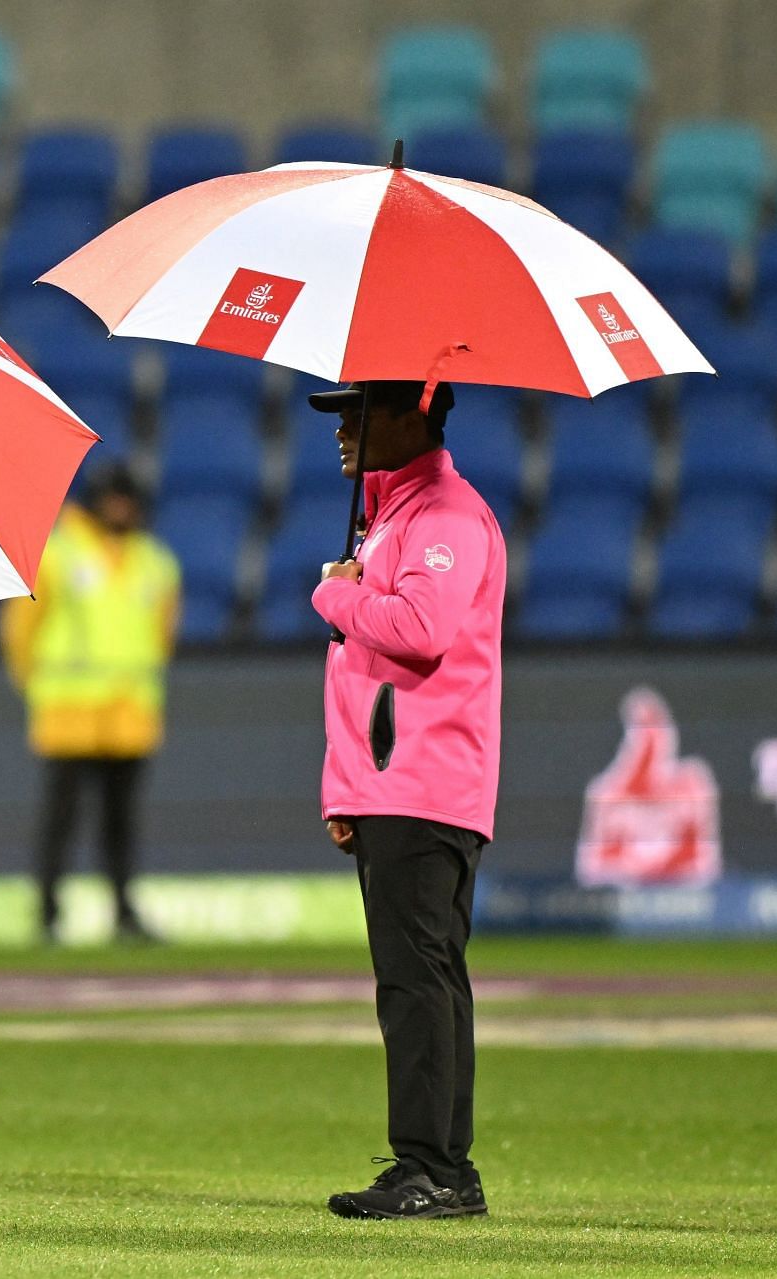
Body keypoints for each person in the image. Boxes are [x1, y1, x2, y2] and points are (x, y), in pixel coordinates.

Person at [306, 380, 506, 1221]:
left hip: (423, 778)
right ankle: (438, 1164)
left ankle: (433, 1167)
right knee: (425, 975)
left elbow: (420, 630)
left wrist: (335, 593)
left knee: (416, 978)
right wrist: (344, 786)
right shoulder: (399, 514)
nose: (344, 432)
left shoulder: (447, 515)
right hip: (400, 779)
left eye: (358, 413)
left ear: (411, 414)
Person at [0, 465, 180, 943]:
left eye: (130, 500)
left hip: (128, 712)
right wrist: (37, 688)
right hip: (69, 711)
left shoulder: (156, 562)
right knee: (61, 820)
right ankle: (47, 914)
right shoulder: (57, 555)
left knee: (120, 822)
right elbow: (20, 631)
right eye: (115, 499)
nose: (123, 509)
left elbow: (161, 635)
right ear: (97, 501)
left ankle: (122, 913)